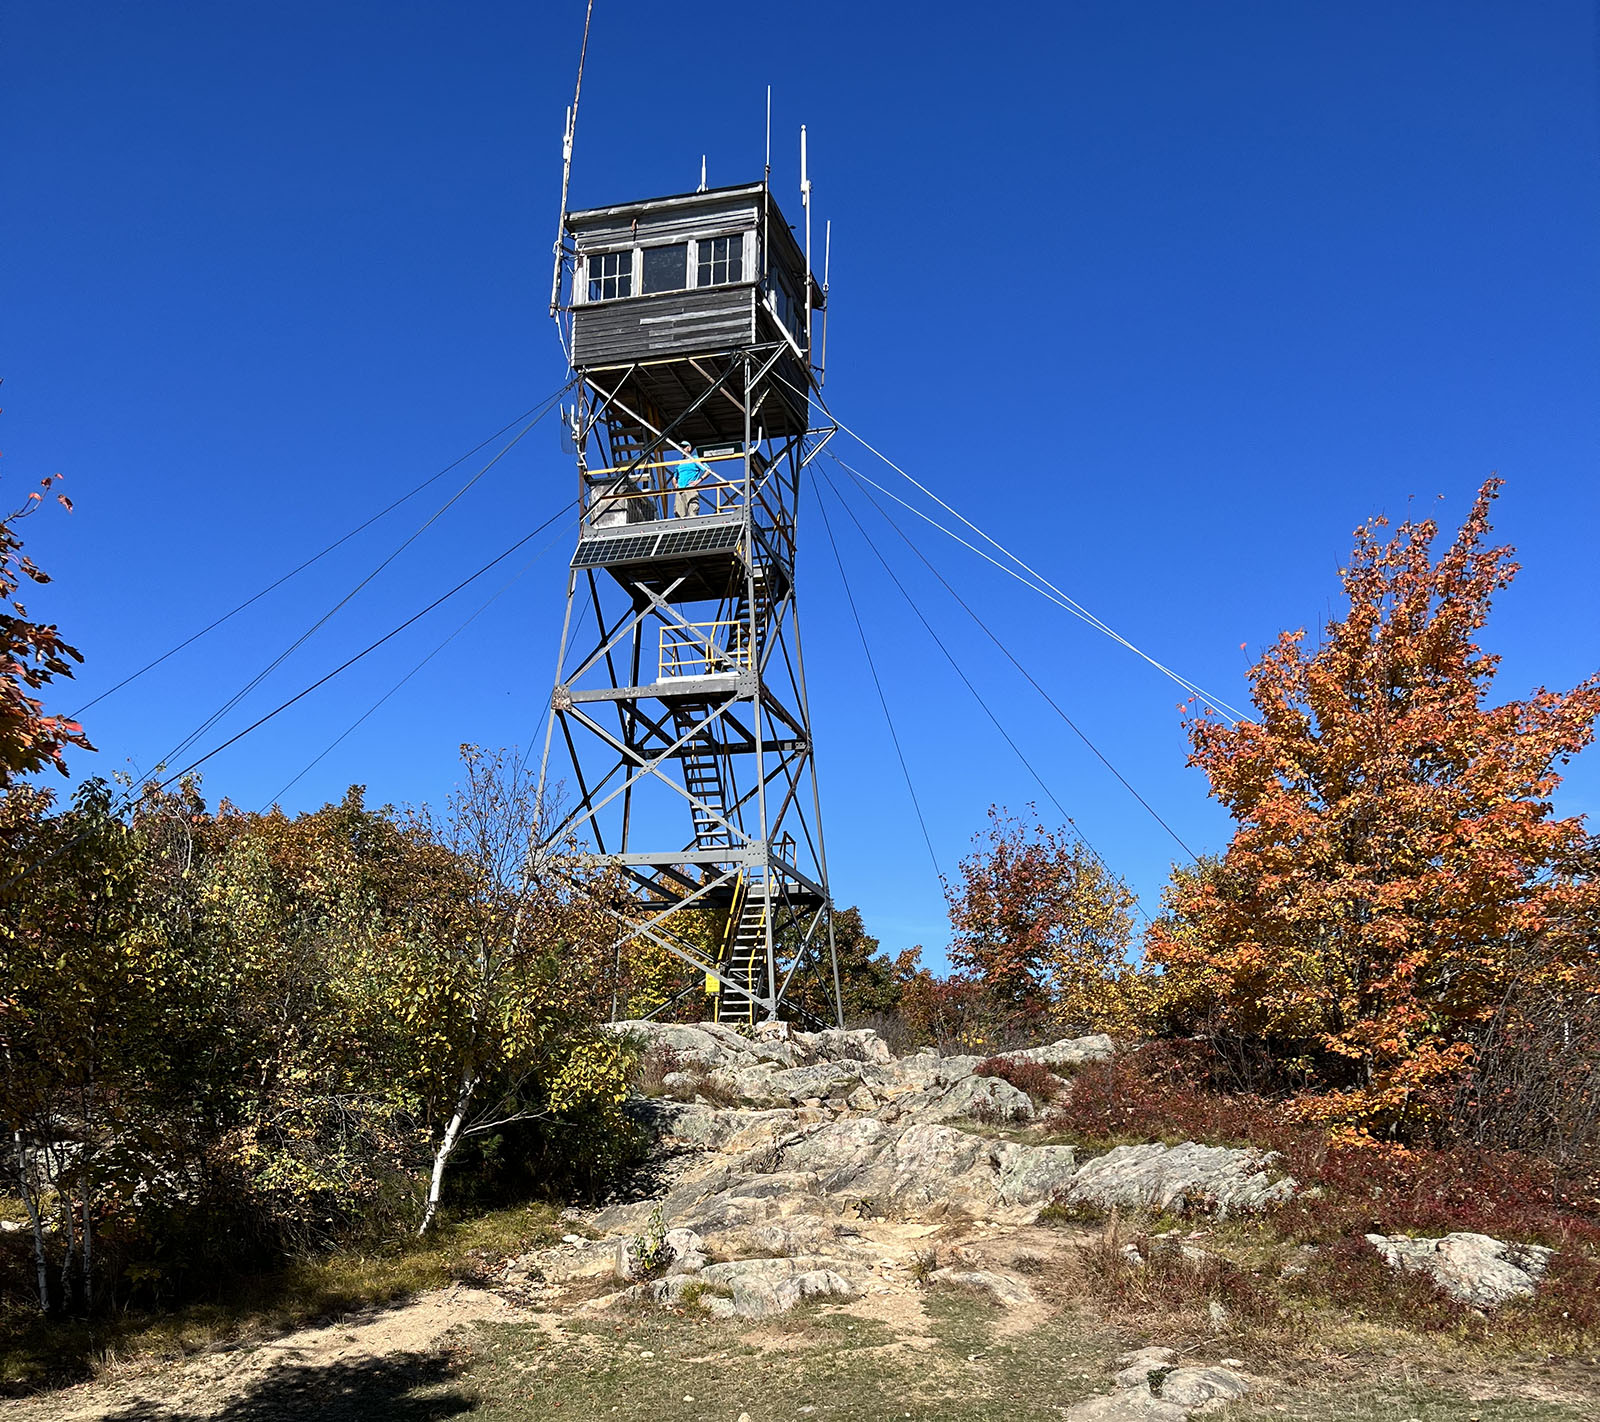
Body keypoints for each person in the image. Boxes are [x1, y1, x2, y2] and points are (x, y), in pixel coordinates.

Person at [673, 450, 710, 518]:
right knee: (679, 513)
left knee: (692, 511)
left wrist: (698, 481)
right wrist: (675, 485)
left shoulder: (694, 458)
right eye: (681, 447)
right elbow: (674, 477)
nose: (682, 449)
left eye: (684, 447)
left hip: (690, 488)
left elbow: (708, 471)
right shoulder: (679, 463)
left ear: (689, 448)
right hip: (680, 490)